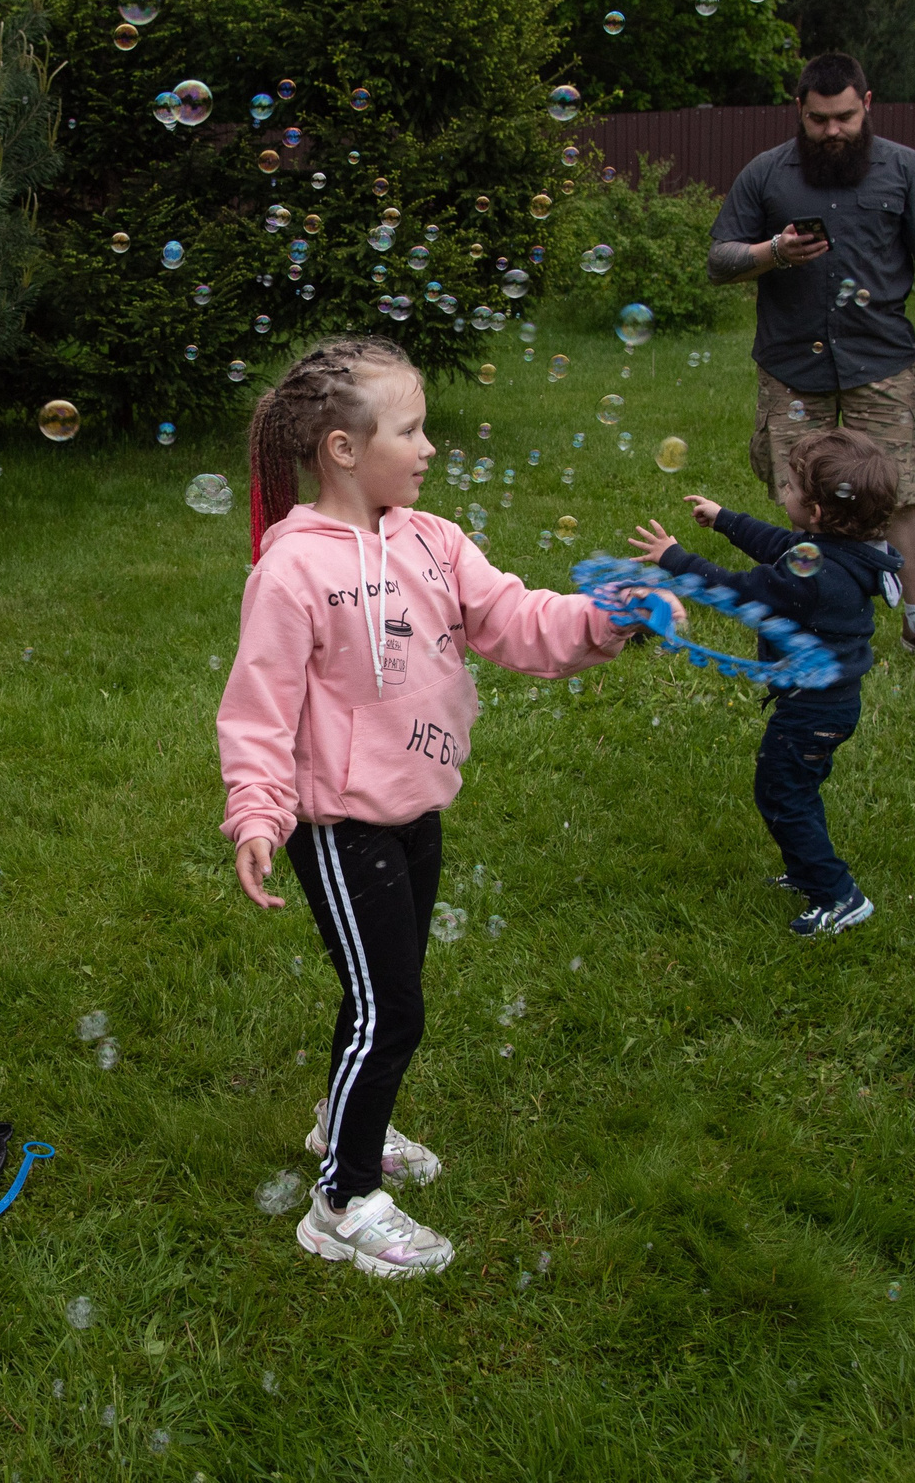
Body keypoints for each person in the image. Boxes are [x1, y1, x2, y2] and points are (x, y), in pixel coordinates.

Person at [217, 336, 681, 1279]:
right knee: (391, 1012)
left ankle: (341, 1124)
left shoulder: (432, 540)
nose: (430, 447)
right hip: (341, 826)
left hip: (416, 808)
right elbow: (259, 708)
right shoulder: (292, 572)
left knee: (384, 996)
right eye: (412, 428)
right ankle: (342, 1201)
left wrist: (603, 620)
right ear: (343, 448)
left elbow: (512, 619)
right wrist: (259, 811)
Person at [707, 50, 915, 669]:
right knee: (803, 494)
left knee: (904, 491)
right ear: (798, 111)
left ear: (868, 104)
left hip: (879, 362)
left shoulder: (905, 169)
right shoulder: (766, 174)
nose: (833, 130)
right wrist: (773, 251)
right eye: (819, 119)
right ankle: (814, 615)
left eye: (846, 117)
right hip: (790, 368)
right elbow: (718, 260)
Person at [627, 429, 904, 938]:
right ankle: (806, 869)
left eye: (792, 488)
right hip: (827, 704)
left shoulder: (817, 577)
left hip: (811, 713)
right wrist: (726, 520)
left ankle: (839, 894)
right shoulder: (840, 552)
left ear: (817, 513)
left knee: (781, 794)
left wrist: (676, 560)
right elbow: (781, 545)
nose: (784, 493)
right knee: (797, 791)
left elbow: (739, 589)